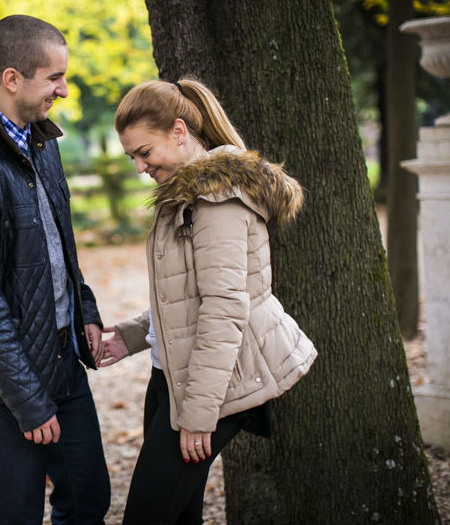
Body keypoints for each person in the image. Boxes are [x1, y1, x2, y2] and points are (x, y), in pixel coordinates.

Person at [100, 77, 317, 524]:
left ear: (179, 132)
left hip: (213, 389)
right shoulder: (183, 194)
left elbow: (223, 309)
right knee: (179, 516)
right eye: (132, 157)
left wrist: (200, 417)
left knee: (146, 515)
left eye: (145, 152)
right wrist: (131, 337)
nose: (140, 166)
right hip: (172, 375)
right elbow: (186, 295)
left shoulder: (217, 202)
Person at [0, 15, 111, 524]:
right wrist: (29, 403)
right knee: (15, 514)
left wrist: (85, 311)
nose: (65, 89)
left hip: (62, 361)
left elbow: (61, 244)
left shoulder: (42, 138)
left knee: (87, 497)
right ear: (12, 79)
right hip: (2, 384)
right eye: (54, 77)